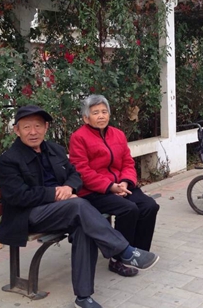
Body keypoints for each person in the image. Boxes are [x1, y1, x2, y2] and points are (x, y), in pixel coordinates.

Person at [0, 105, 159, 308]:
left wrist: (68, 187)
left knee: (84, 227)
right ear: (16, 130)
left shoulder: (54, 150)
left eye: (38, 126)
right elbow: (17, 196)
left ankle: (83, 297)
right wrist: (55, 193)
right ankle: (125, 251)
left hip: (63, 210)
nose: (33, 132)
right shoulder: (9, 160)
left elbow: (75, 175)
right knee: (79, 205)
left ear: (46, 127)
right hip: (29, 215)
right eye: (26, 127)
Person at [69, 95, 160, 278]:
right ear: (86, 118)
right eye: (95, 113)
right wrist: (110, 186)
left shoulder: (118, 134)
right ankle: (118, 259)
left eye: (104, 112)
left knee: (149, 206)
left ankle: (137, 252)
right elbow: (82, 171)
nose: (101, 116)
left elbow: (128, 162)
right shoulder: (78, 138)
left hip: (121, 185)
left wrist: (125, 182)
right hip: (94, 191)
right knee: (128, 209)